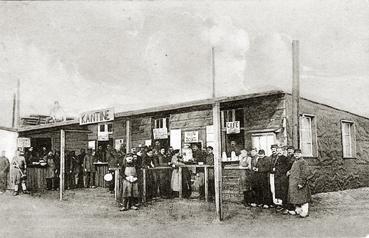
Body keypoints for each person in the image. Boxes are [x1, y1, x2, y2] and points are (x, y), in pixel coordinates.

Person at [287, 149, 312, 218]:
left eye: (298, 154)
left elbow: (305, 173)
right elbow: (294, 170)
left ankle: (305, 212)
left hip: (299, 183)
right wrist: (289, 172)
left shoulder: (303, 162)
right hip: (294, 183)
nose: (296, 155)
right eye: (295, 154)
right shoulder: (295, 161)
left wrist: (301, 183)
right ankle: (298, 210)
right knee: (296, 198)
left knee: (303, 198)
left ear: (301, 154)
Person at [272, 146, 290, 211]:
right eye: (278, 151)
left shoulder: (285, 158)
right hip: (277, 177)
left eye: (280, 151)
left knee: (283, 191)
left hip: (283, 177)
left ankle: (285, 206)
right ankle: (281, 205)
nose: (279, 152)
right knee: (278, 191)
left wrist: (278, 170)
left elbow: (287, 168)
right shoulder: (277, 158)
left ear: (283, 151)